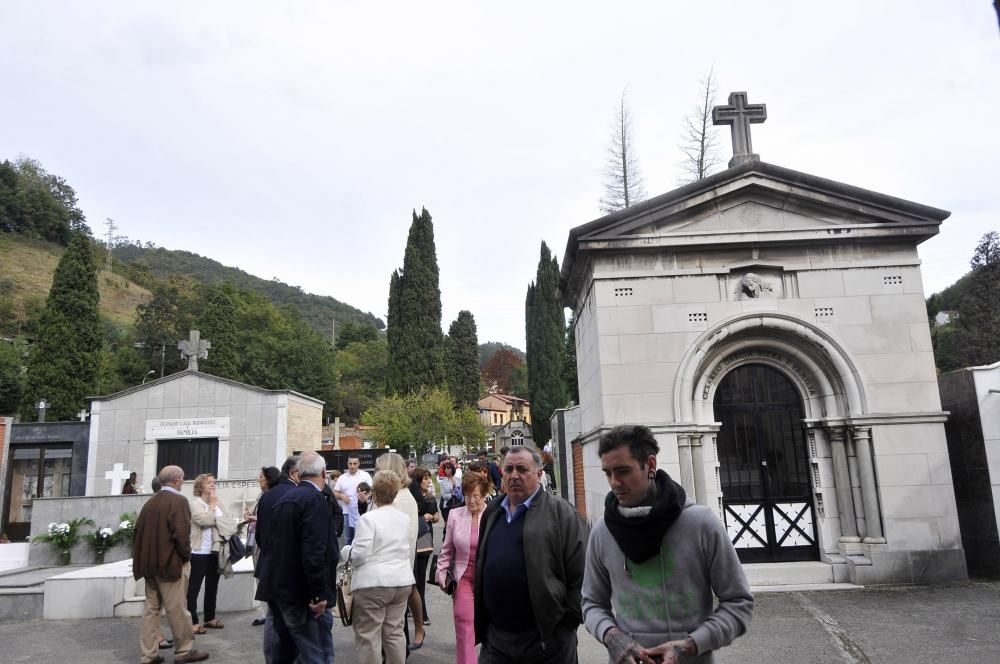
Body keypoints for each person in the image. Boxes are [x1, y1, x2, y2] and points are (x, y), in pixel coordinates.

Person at [582, 425, 754, 664]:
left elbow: (739, 602)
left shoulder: (701, 524)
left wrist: (692, 644)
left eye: (623, 471)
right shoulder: (602, 531)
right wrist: (612, 637)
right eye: (608, 473)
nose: (614, 482)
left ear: (650, 465)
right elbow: (591, 603)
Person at [475, 446, 589, 664]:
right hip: (497, 640)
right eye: (508, 469)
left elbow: (583, 575)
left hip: (547, 642)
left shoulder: (562, 514)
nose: (514, 475)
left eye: (522, 469)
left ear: (539, 473)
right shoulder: (493, 511)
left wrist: (565, 625)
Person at [256, 453, 338, 664]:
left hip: (278, 587)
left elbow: (267, 541)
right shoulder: (314, 500)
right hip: (301, 594)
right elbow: (314, 552)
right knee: (316, 654)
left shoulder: (282, 498)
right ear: (323, 473)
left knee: (286, 652)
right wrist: (319, 595)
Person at [132, 465, 209, 664]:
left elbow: (137, 533)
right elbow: (181, 534)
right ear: (175, 480)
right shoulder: (178, 501)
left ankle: (148, 655)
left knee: (151, 610)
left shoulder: (150, 503)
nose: (183, 482)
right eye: (182, 479)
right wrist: (186, 556)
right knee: (177, 609)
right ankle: (184, 651)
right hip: (170, 564)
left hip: (149, 565)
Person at [341, 469, 415, 664]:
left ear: (374, 492)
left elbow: (359, 554)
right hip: (401, 582)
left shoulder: (368, 519)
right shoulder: (403, 519)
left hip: (373, 584)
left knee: (369, 636)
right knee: (394, 633)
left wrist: (346, 551)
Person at [435, 471, 490, 664]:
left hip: (488, 579)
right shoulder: (455, 515)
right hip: (463, 577)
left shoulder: (493, 515)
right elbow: (447, 548)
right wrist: (441, 572)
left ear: (484, 495)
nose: (471, 501)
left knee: (492, 628)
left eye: (476, 496)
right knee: (464, 623)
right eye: (467, 496)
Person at [253, 456, 300, 659]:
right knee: (294, 620)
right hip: (290, 568)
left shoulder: (267, 496)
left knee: (274, 617)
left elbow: (260, 535)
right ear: (292, 473)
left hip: (270, 564)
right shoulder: (297, 494)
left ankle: (272, 658)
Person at [374, 452, 422, 649]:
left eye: (377, 470)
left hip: (392, 572)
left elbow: (406, 539)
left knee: (393, 628)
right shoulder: (392, 496)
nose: (374, 474)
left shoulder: (401, 499)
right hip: (388, 571)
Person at [187, 473, 234, 634]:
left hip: (215, 550)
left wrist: (215, 510)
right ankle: (192, 621)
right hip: (199, 551)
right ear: (200, 486)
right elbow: (203, 521)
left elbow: (227, 523)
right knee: (194, 587)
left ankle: (209, 618)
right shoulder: (195, 504)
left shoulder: (218, 502)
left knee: (212, 585)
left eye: (214, 482)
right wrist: (213, 509)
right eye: (209, 482)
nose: (213, 484)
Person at [246, 466, 280, 627]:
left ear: (268, 479)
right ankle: (266, 612)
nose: (259, 479)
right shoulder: (262, 495)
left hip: (264, 545)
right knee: (259, 578)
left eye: (261, 476)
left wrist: (255, 519)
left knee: (264, 578)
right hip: (255, 543)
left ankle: (270, 614)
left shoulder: (272, 496)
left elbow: (271, 521)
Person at [408, 467, 440, 627]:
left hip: (426, 540)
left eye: (429, 478)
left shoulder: (430, 498)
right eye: (425, 478)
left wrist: (431, 516)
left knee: (420, 577)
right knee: (410, 578)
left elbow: (437, 517)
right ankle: (414, 610)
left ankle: (422, 614)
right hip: (411, 540)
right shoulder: (409, 498)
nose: (429, 481)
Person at [333, 454, 373, 544]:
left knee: (358, 539)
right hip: (346, 512)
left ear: (359, 464)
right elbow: (335, 493)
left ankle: (357, 557)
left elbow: (372, 490)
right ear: (347, 464)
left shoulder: (365, 475)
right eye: (350, 463)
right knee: (348, 539)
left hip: (361, 512)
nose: (352, 466)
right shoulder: (342, 478)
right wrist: (342, 496)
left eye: (355, 463)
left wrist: (366, 496)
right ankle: (348, 557)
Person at [437, 462, 462, 533]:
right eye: (445, 468)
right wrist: (453, 492)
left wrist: (454, 486)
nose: (446, 470)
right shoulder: (442, 482)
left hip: (457, 505)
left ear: (452, 469)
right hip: (447, 506)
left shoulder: (458, 479)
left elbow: (460, 496)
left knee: (457, 525)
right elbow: (444, 496)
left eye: (448, 468)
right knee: (448, 525)